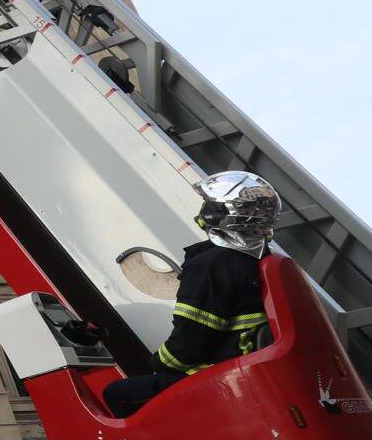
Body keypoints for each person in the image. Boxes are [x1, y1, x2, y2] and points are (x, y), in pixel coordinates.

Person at [102, 172, 280, 418]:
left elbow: (189, 344)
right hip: (249, 370)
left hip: (220, 378)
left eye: (213, 205)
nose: (206, 211)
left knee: (118, 394)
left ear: (227, 215)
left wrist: (157, 365)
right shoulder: (265, 262)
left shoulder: (212, 265)